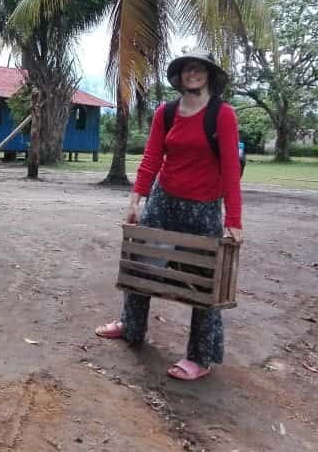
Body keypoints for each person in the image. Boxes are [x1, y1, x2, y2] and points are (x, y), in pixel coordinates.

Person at [95, 49, 243, 381]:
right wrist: (136, 200)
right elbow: (151, 158)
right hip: (164, 200)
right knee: (142, 266)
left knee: (205, 280)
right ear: (179, 76)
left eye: (199, 69)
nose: (193, 74)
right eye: (187, 69)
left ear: (209, 75)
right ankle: (132, 326)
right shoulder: (167, 112)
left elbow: (231, 169)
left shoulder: (223, 115)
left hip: (203, 206)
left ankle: (200, 356)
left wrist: (233, 220)